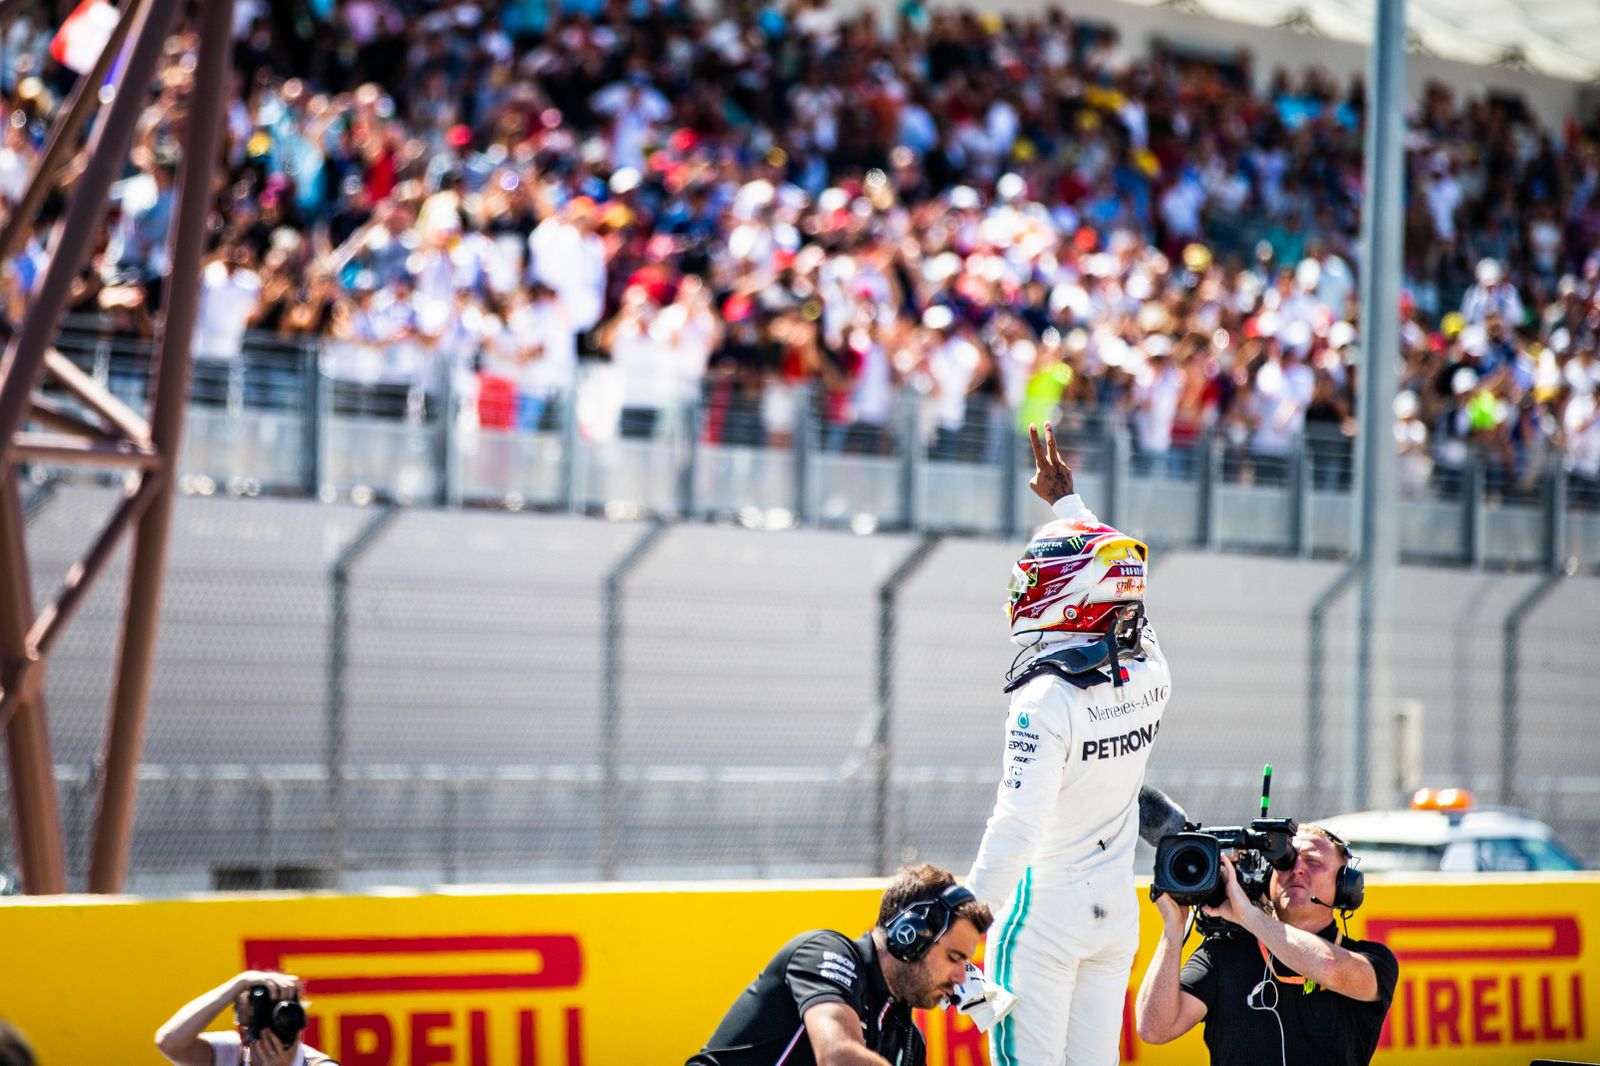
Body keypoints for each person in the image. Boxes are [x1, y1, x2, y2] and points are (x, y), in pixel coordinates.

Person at [966, 422, 1174, 1066]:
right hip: (1114, 916)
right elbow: (1125, 585)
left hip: (1044, 916)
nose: (1029, 584)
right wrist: (1069, 508)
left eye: (1048, 571)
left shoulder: (1044, 699)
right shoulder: (1154, 669)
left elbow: (1018, 826)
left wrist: (964, 920)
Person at [1134, 826, 1398, 1066]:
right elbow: (1155, 1029)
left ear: (1345, 885)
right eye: (1285, 861)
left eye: (1313, 862)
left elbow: (1328, 967)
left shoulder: (1373, 959)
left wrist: (1248, 916)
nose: (1296, 869)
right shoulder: (1224, 953)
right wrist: (1174, 927)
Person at [687, 863, 993, 1066]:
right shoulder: (826, 952)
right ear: (910, 935)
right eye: (954, 958)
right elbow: (837, 1057)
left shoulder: (908, 1041)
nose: (960, 977)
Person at [155, 971, 338, 1066]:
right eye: (260, 1019)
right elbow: (170, 1042)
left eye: (282, 1018)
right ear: (240, 1030)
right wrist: (240, 983)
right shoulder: (230, 1052)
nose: (272, 1029)